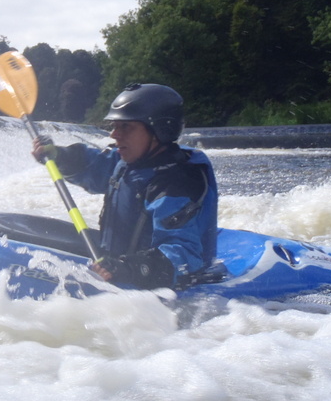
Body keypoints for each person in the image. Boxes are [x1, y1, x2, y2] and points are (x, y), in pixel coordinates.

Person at [32, 83, 218, 290]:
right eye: (114, 126)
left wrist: (126, 268)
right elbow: (95, 167)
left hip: (167, 290)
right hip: (121, 269)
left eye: (126, 127)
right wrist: (58, 155)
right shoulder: (130, 162)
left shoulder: (179, 182)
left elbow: (182, 254)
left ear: (160, 130)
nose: (114, 134)